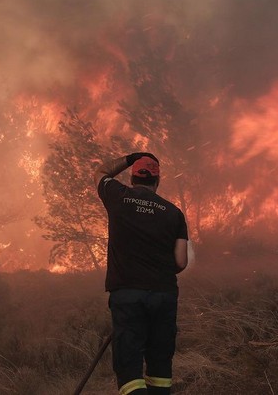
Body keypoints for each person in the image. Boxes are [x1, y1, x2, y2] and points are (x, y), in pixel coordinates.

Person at [94, 152, 188, 395]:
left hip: (128, 295)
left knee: (129, 369)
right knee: (160, 366)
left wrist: (130, 157)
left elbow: (100, 172)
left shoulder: (117, 196)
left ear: (133, 178)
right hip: (163, 295)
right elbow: (180, 261)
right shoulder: (174, 213)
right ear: (157, 181)